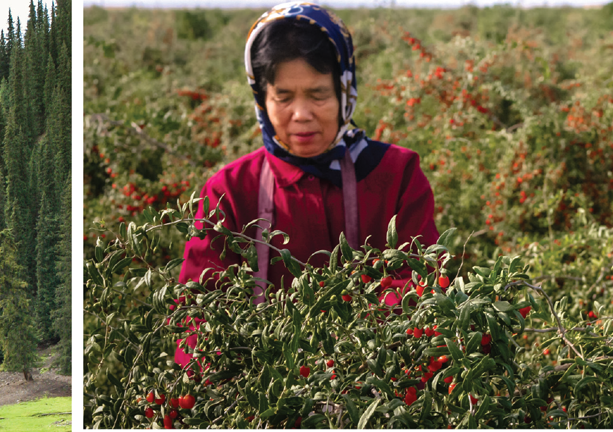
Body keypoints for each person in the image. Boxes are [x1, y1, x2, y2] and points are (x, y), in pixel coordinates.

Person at [177, 3, 439, 365]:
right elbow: (199, 314)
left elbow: (421, 285)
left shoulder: (395, 174)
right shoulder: (229, 191)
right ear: (261, 98)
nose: (301, 115)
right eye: (283, 97)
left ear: (345, 90)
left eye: (318, 95)